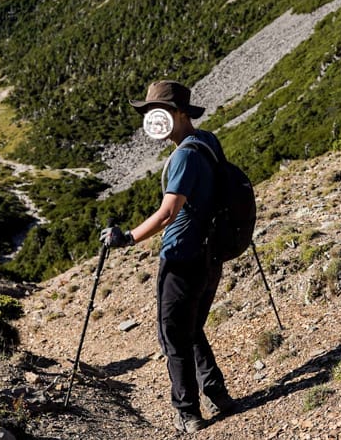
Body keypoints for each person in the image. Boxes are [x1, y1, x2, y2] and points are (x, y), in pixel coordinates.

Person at [100, 80, 236, 433]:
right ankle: (217, 393)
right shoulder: (208, 141)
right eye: (148, 112)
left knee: (173, 335)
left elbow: (167, 213)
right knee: (192, 328)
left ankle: (188, 411)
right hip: (210, 254)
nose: (152, 118)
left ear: (180, 114)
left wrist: (128, 238)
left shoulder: (184, 156)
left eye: (158, 111)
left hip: (181, 256)